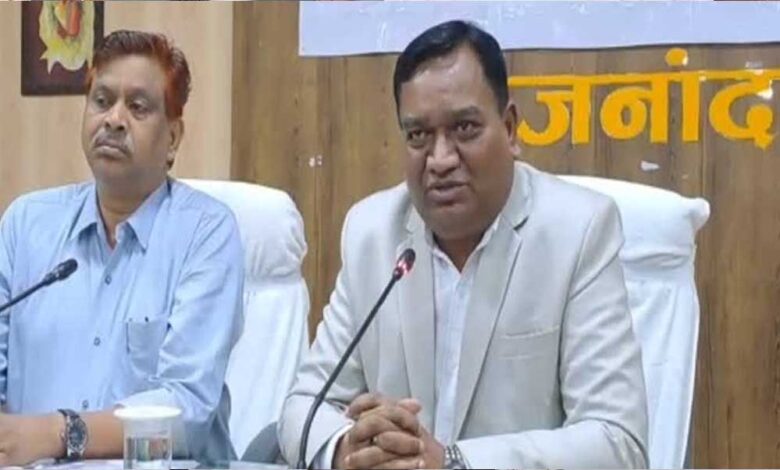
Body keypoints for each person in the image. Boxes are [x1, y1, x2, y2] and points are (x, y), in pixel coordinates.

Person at [279, 20, 648, 469]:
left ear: (509, 129)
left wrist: (453, 461)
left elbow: (617, 443)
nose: (440, 160)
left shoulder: (579, 231)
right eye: (418, 135)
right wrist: (349, 450)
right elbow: (304, 407)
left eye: (465, 128)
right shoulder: (372, 234)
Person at [0, 30, 243, 466]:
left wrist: (59, 433)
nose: (113, 119)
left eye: (138, 107)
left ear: (173, 139)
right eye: (102, 100)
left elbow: (186, 410)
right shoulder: (26, 224)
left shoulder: (205, 232)